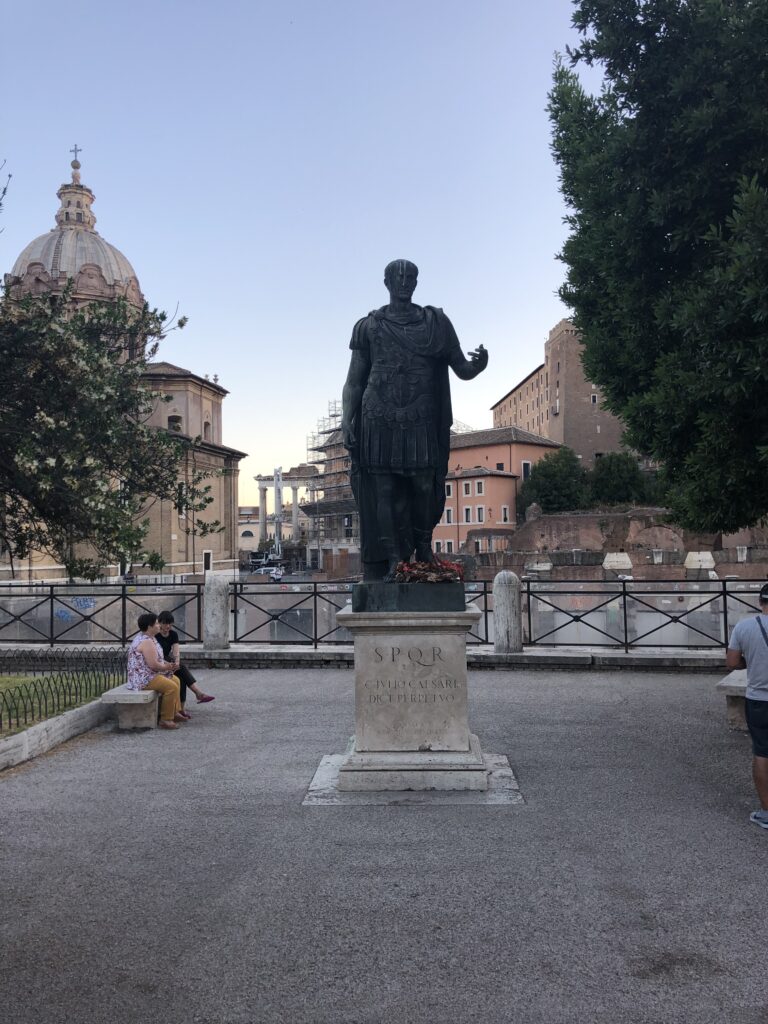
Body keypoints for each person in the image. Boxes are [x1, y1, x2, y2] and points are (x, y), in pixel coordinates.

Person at [342, 259, 488, 580]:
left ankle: (422, 546)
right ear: (387, 282)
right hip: (377, 417)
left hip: (421, 415)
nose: (404, 281)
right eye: (398, 276)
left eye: (410, 277)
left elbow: (461, 368)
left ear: (416, 282)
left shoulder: (436, 323)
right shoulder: (368, 326)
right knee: (384, 491)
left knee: (425, 485)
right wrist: (346, 419)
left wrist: (478, 366)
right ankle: (394, 558)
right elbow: (354, 380)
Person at [726, 582, 768, 829]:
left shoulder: (745, 627)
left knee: (763, 752)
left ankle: (766, 812)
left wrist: (749, 662)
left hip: (759, 699)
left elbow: (731, 662)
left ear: (760, 602)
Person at [126, 612, 184, 730]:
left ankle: (175, 712)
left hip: (149, 674)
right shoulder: (146, 642)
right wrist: (167, 667)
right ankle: (165, 719)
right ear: (149, 627)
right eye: (156, 623)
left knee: (176, 680)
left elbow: (158, 660)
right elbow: (153, 665)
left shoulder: (150, 638)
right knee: (171, 687)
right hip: (143, 678)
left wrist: (168, 665)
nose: (159, 625)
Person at [156, 610, 214, 711]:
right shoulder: (155, 635)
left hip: (167, 659)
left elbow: (176, 650)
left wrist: (176, 661)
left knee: (181, 675)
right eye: (165, 623)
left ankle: (182, 708)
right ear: (160, 623)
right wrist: (170, 664)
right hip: (159, 659)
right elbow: (156, 654)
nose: (168, 626)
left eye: (170, 623)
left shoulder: (173, 634)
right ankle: (197, 693)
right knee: (182, 669)